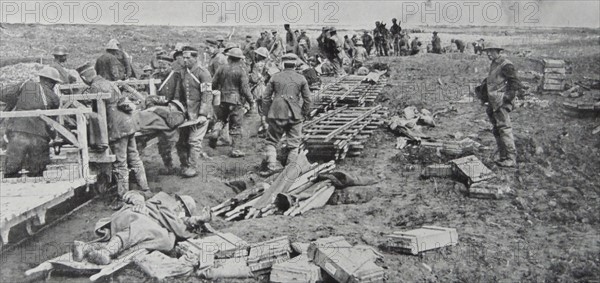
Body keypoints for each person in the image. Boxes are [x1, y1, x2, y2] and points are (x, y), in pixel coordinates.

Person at [72, 191, 211, 265]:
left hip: (138, 227)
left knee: (161, 237)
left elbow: (184, 227)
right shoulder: (160, 197)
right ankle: (107, 252)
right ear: (177, 199)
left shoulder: (177, 222)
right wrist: (139, 201)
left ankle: (85, 248)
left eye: (184, 209)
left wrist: (200, 219)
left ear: (184, 214)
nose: (180, 206)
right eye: (181, 202)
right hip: (132, 215)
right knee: (141, 227)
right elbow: (133, 193)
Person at [77, 62, 151, 201]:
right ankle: (145, 189)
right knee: (134, 158)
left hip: (117, 127)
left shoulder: (95, 86)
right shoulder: (108, 82)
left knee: (120, 162)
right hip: (128, 123)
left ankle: (123, 196)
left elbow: (97, 111)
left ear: (85, 78)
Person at [1, 67, 62, 177]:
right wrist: (53, 137)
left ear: (41, 78)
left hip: (17, 133)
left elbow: (3, 94)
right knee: (37, 171)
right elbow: (52, 122)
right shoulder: (54, 98)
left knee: (11, 169)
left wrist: (17, 98)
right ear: (52, 83)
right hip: (39, 138)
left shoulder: (25, 85)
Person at [474, 43, 525, 168]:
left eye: (491, 51)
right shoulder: (494, 63)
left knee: (505, 128)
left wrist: (506, 97)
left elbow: (515, 83)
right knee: (497, 129)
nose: (488, 54)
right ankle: (503, 156)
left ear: (498, 51)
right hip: (493, 102)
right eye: (487, 51)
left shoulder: (506, 64)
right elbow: (492, 81)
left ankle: (511, 158)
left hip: (501, 102)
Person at [261, 53, 312, 174]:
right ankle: (289, 170)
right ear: (295, 64)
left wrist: (268, 113)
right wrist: (303, 113)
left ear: (282, 64)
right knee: (294, 144)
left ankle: (271, 166)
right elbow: (308, 99)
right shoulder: (301, 78)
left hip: (277, 112)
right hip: (295, 114)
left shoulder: (275, 77)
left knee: (271, 141)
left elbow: (265, 97)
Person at [209, 48, 255, 158]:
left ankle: (215, 132)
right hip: (235, 101)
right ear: (239, 59)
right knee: (236, 125)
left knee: (221, 119)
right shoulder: (241, 71)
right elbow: (245, 89)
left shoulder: (221, 68)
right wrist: (251, 101)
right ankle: (236, 150)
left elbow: (213, 83)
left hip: (221, 99)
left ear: (229, 57)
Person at [176, 47, 213, 178]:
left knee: (194, 141)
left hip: (199, 113)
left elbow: (207, 94)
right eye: (184, 58)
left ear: (195, 58)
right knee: (181, 142)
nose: (185, 60)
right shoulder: (183, 72)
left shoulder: (203, 73)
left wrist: (203, 114)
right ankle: (184, 165)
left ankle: (193, 167)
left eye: (188, 58)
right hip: (186, 114)